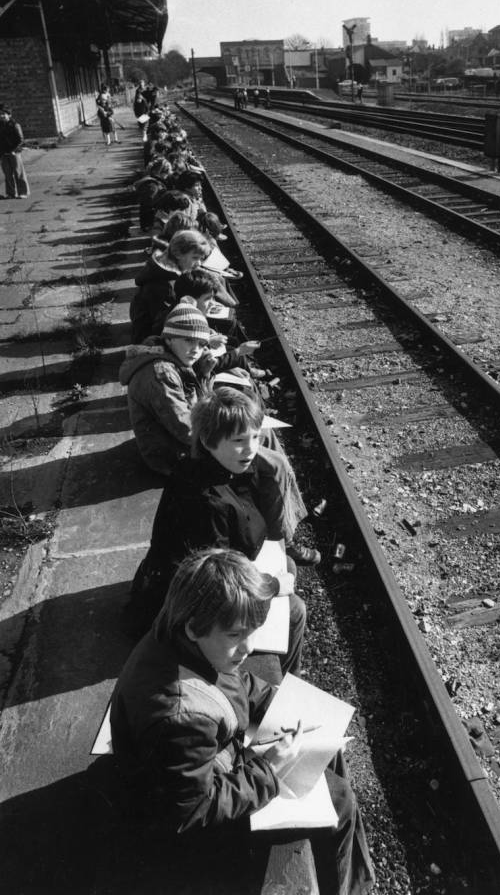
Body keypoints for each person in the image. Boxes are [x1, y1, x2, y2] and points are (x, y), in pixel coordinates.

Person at [110, 550, 374, 895]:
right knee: (339, 800)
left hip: (197, 768)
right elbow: (193, 811)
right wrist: (269, 770)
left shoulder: (187, 638)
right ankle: (351, 887)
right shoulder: (181, 717)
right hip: (184, 831)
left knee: (327, 744)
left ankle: (355, 878)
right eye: (235, 635)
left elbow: (234, 683)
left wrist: (278, 703)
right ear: (193, 628)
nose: (248, 648)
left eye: (253, 632)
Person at [123, 387, 316, 640]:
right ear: (207, 441)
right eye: (238, 441)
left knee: (288, 564)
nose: (251, 449)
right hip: (194, 601)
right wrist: (272, 586)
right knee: (296, 612)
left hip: (204, 573)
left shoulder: (211, 467)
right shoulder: (206, 502)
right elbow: (217, 582)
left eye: (256, 437)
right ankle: (275, 676)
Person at [119, 299, 216, 476]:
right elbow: (186, 431)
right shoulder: (161, 373)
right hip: (170, 456)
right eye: (189, 340)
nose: (196, 350)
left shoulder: (174, 359)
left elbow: (197, 409)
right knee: (265, 460)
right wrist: (226, 435)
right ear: (169, 339)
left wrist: (203, 375)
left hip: (173, 444)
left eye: (202, 344)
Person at [129, 228, 212, 343]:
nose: (199, 263)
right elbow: (162, 325)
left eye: (201, 258)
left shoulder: (165, 271)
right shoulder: (164, 286)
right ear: (178, 254)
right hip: (149, 340)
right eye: (195, 258)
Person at [0, 104, 30, 198]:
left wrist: (14, 150)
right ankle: (11, 193)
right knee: (8, 174)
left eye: (3, 114)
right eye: (0, 114)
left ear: (9, 115)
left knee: (18, 173)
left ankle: (23, 192)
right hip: (3, 153)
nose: (1, 116)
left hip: (14, 153)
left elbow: (20, 140)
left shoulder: (15, 125)